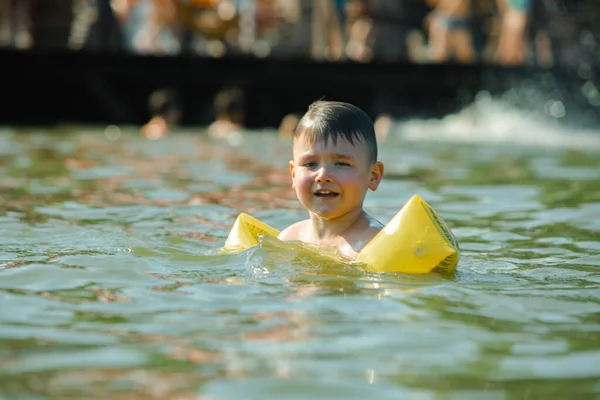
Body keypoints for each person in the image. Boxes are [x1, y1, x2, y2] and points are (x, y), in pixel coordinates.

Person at [277, 101, 385, 260]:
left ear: (373, 176)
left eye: (341, 163)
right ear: (293, 175)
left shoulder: (376, 244)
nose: (322, 175)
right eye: (310, 164)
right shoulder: (288, 238)